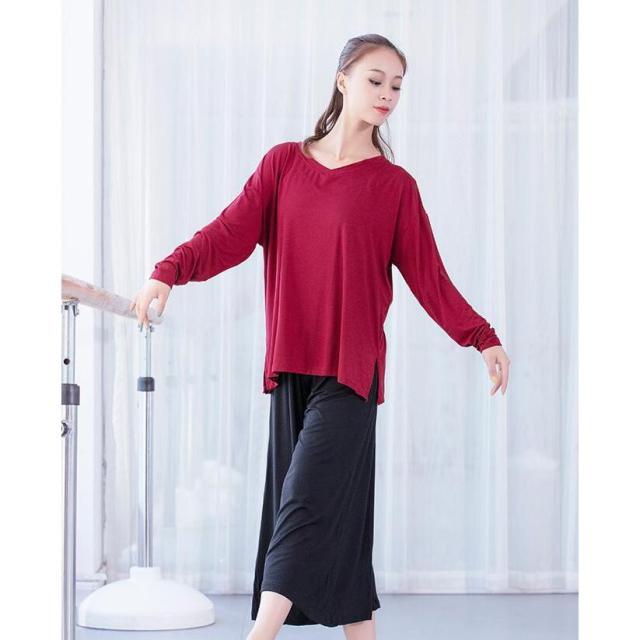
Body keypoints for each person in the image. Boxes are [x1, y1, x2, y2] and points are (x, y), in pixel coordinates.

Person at [130, 33, 510, 640]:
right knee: (337, 519)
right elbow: (228, 233)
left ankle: (259, 636)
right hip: (292, 365)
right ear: (342, 80)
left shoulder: (394, 187)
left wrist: (481, 336)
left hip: (352, 372)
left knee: (303, 504)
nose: (387, 94)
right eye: (375, 80)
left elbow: (430, 278)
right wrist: (169, 269)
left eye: (396, 86)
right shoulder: (284, 165)